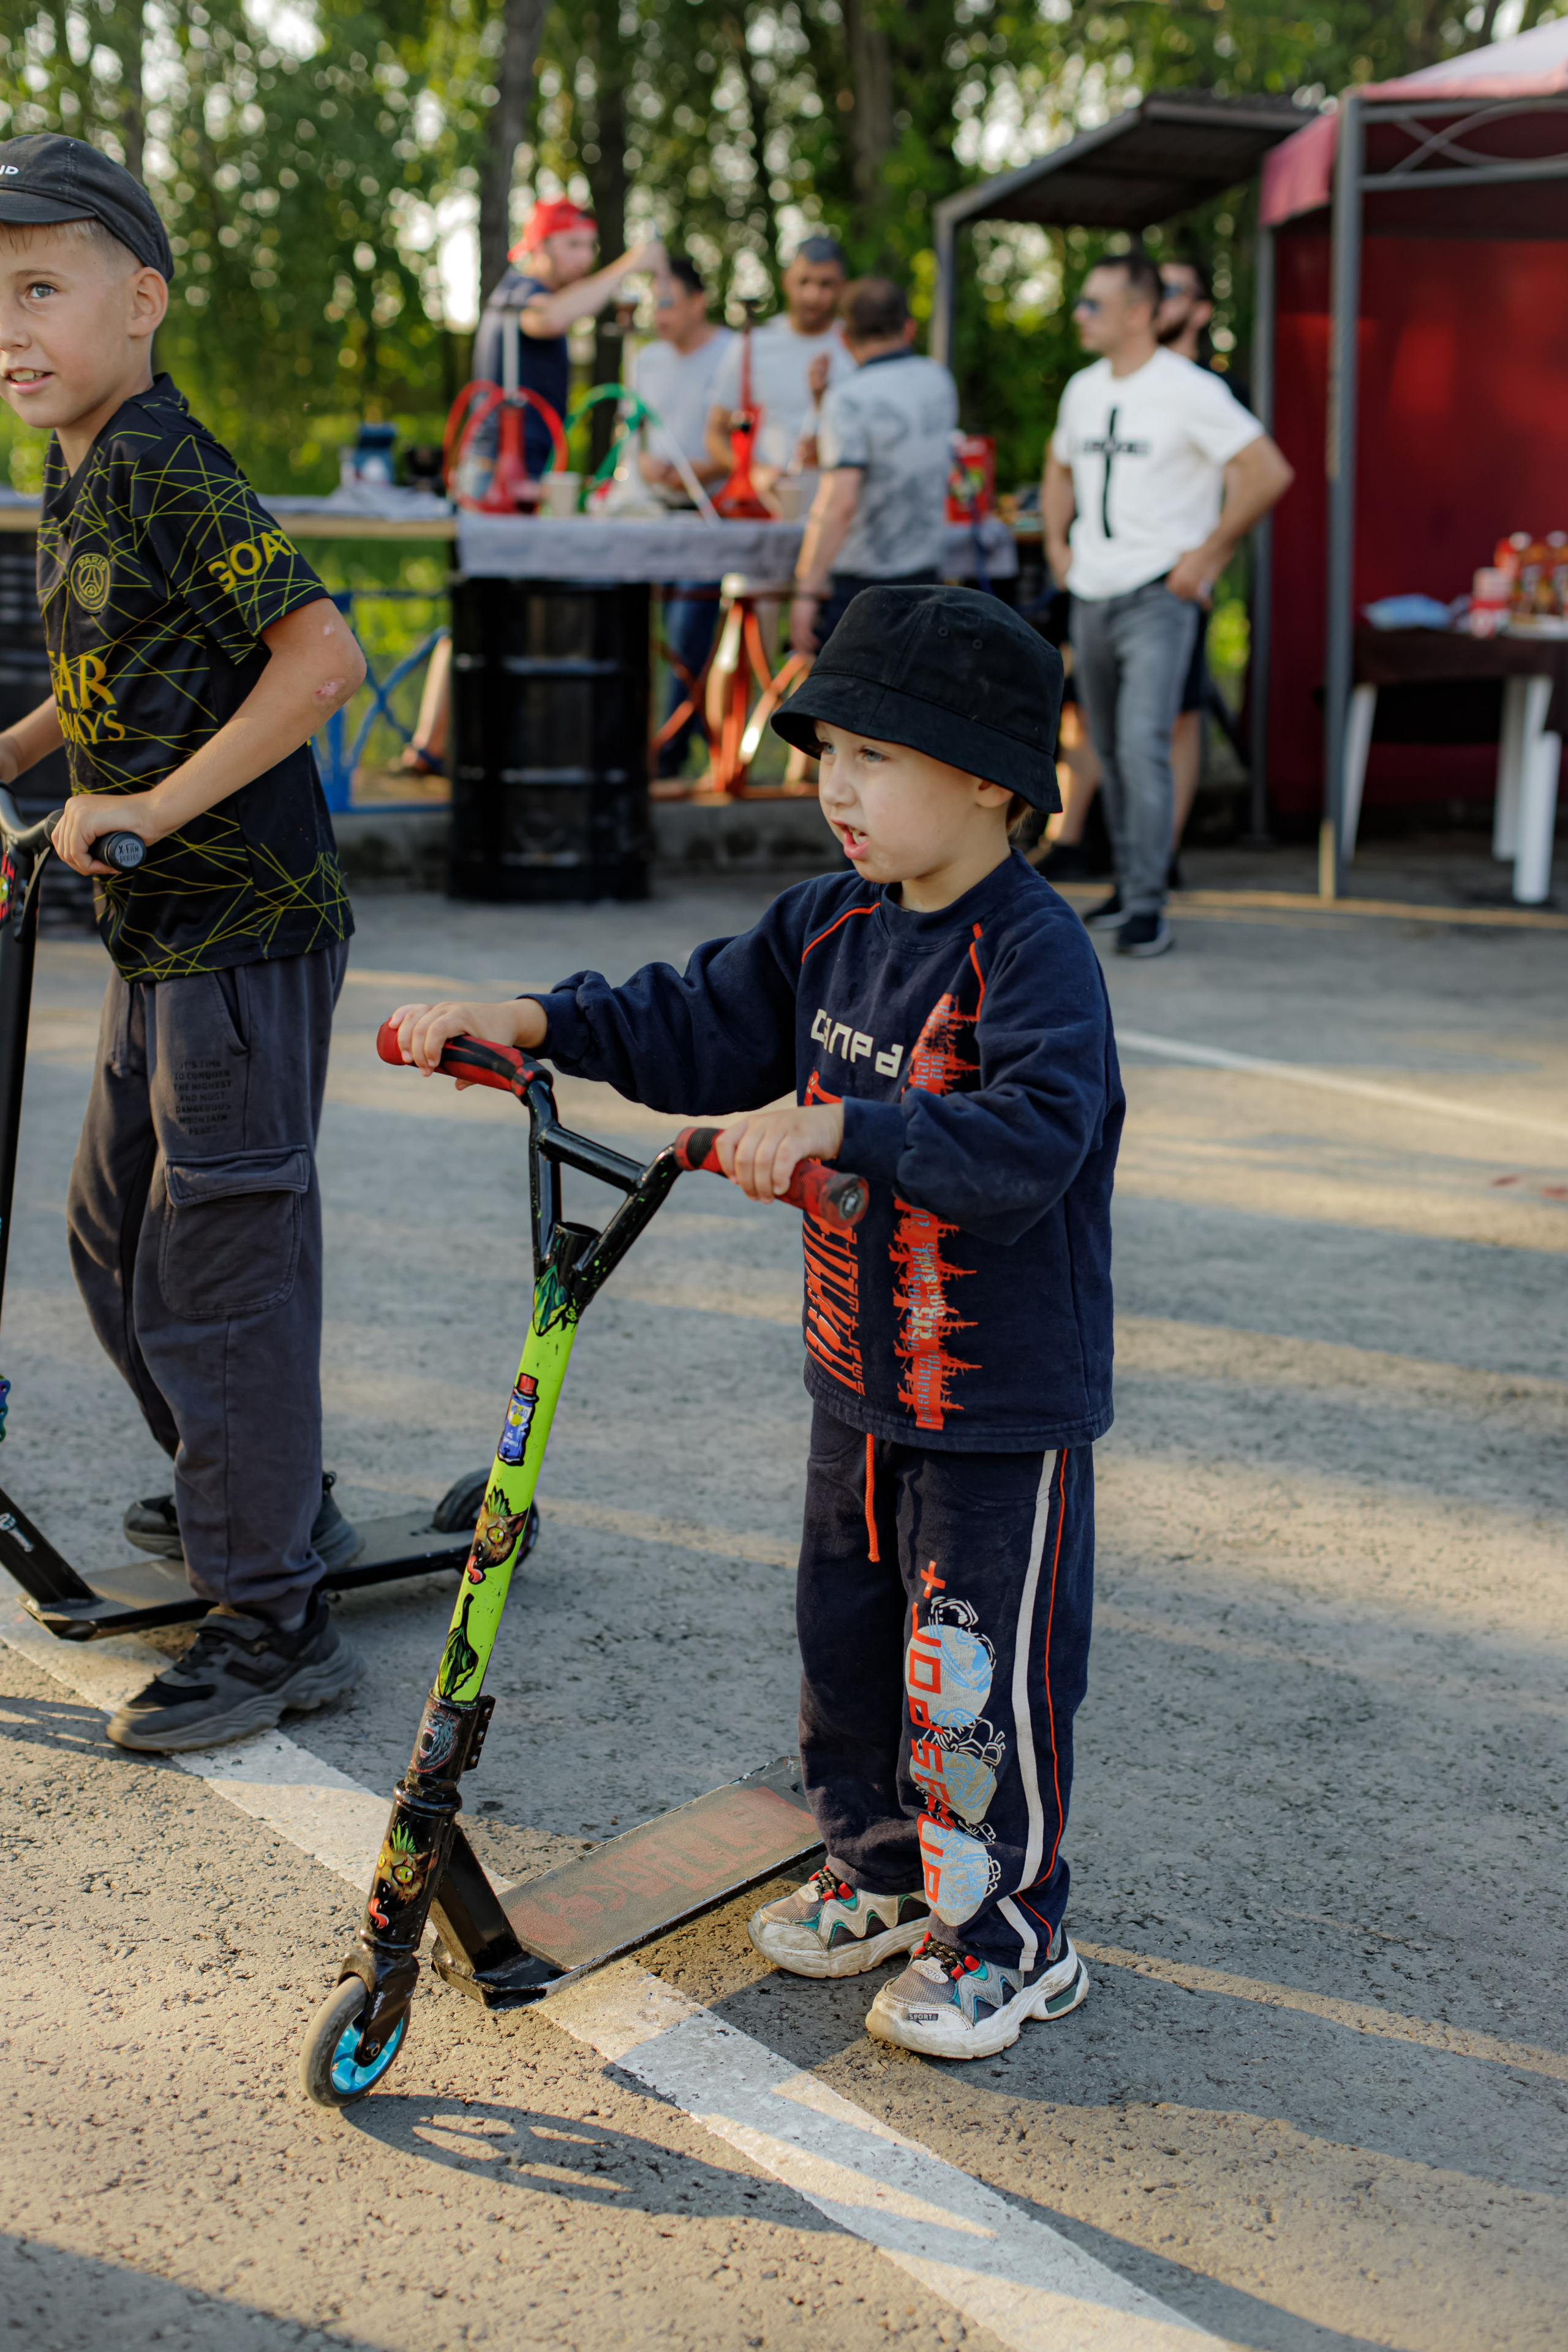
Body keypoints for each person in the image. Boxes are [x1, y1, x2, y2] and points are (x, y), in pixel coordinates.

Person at [385, 584, 1122, 2064]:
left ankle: (1006, 1928)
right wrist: (540, 1020)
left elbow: (1033, 1139)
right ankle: (878, 1860)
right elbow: (691, 1015)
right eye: (824, 750)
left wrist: (845, 1124)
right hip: (853, 1374)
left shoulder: (1029, 954)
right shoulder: (831, 923)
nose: (829, 785)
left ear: (986, 777)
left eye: (871, 756)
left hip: (993, 1406)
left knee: (967, 1669)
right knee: (842, 1640)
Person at [0, 132, 366, 1751]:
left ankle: (271, 1614)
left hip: (241, 926)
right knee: (113, 1240)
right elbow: (122, 668)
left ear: (139, 301)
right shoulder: (76, 468)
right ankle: (269, 1497)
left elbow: (322, 660)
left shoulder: (165, 462)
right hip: (164, 938)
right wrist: (25, 757)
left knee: (213, 1276)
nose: (11, 330)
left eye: (40, 288)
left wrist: (142, 805)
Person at [1043, 246, 1292, 956]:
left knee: (1144, 743)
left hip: (1159, 593)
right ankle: (1129, 883)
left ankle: (1150, 903)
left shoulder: (1188, 389)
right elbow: (1058, 467)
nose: (1080, 315)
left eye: (1094, 304)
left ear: (1138, 313)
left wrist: (1209, 554)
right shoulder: (1084, 389)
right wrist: (1061, 549)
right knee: (1108, 746)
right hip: (1093, 588)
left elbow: (1267, 471)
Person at [789, 278, 958, 658]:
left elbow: (841, 501)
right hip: (926, 577)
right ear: (909, 327)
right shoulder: (939, 381)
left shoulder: (848, 398)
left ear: (844, 336)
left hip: (862, 588)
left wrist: (807, 589)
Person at [472, 198, 663, 481]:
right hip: (502, 471)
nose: (585, 258)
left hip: (526, 466)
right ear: (539, 247)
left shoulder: (529, 292)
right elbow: (547, 319)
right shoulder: (520, 292)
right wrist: (629, 266)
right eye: (573, 245)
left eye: (590, 246)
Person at [630, 256, 733, 776]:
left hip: (710, 512)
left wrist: (701, 467)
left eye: (668, 302)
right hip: (651, 510)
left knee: (689, 629)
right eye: (655, 304)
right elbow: (632, 432)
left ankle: (672, 752)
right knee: (637, 630)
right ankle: (642, 740)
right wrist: (643, 466)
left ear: (699, 301)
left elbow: (744, 440)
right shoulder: (645, 358)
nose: (660, 314)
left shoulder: (733, 352)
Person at [704, 236, 853, 504]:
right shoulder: (753, 345)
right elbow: (716, 433)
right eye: (804, 281)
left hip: (841, 505)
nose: (813, 295)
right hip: (767, 510)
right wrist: (753, 472)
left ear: (843, 286)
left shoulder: (857, 347)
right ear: (786, 281)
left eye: (826, 284)